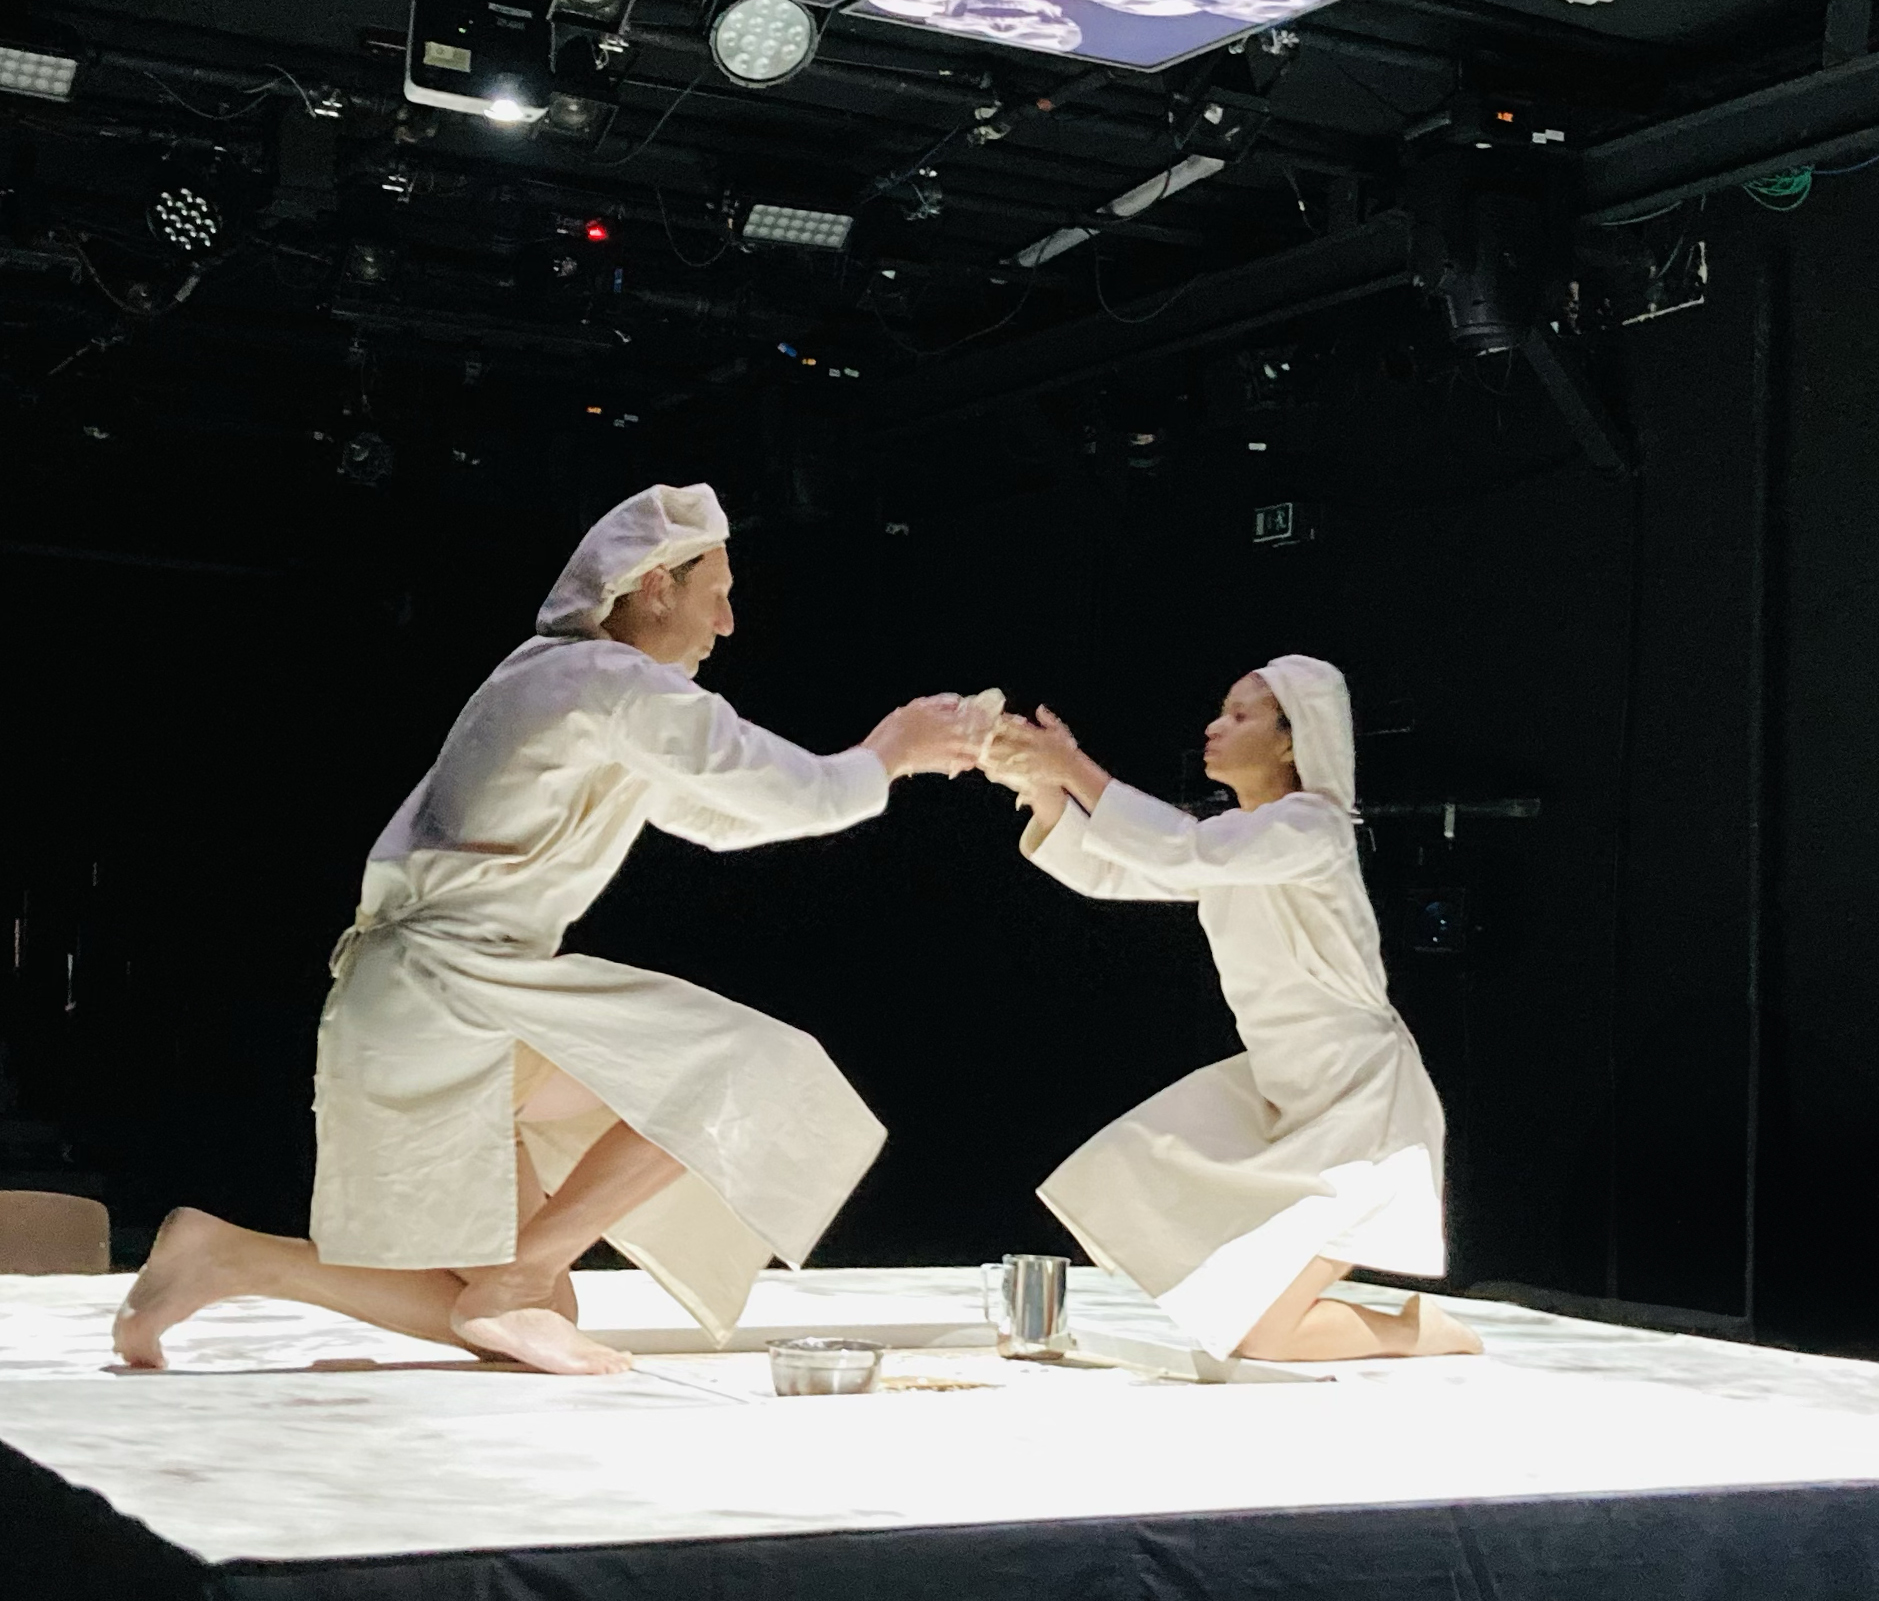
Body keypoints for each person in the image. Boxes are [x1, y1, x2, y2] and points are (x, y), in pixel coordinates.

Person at [114, 483, 980, 1375]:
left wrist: (880, 764)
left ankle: (230, 1259)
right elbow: (789, 794)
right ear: (656, 586)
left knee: (544, 1308)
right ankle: (515, 1279)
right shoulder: (605, 682)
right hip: (450, 995)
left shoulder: (568, 682)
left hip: (432, 1001)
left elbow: (720, 817)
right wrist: (892, 750)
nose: (726, 623)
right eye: (716, 593)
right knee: (747, 1069)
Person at [983, 658, 1482, 1363]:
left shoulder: (1312, 829)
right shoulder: (1242, 841)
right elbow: (1119, 871)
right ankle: (1405, 1330)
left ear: (1290, 741)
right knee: (1146, 1171)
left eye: (1241, 715)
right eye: (1221, 711)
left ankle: (1420, 1332)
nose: (1215, 727)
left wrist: (1069, 766)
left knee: (1263, 1335)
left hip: (1364, 1106)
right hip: (1284, 1091)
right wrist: (1042, 790)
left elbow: (1181, 851)